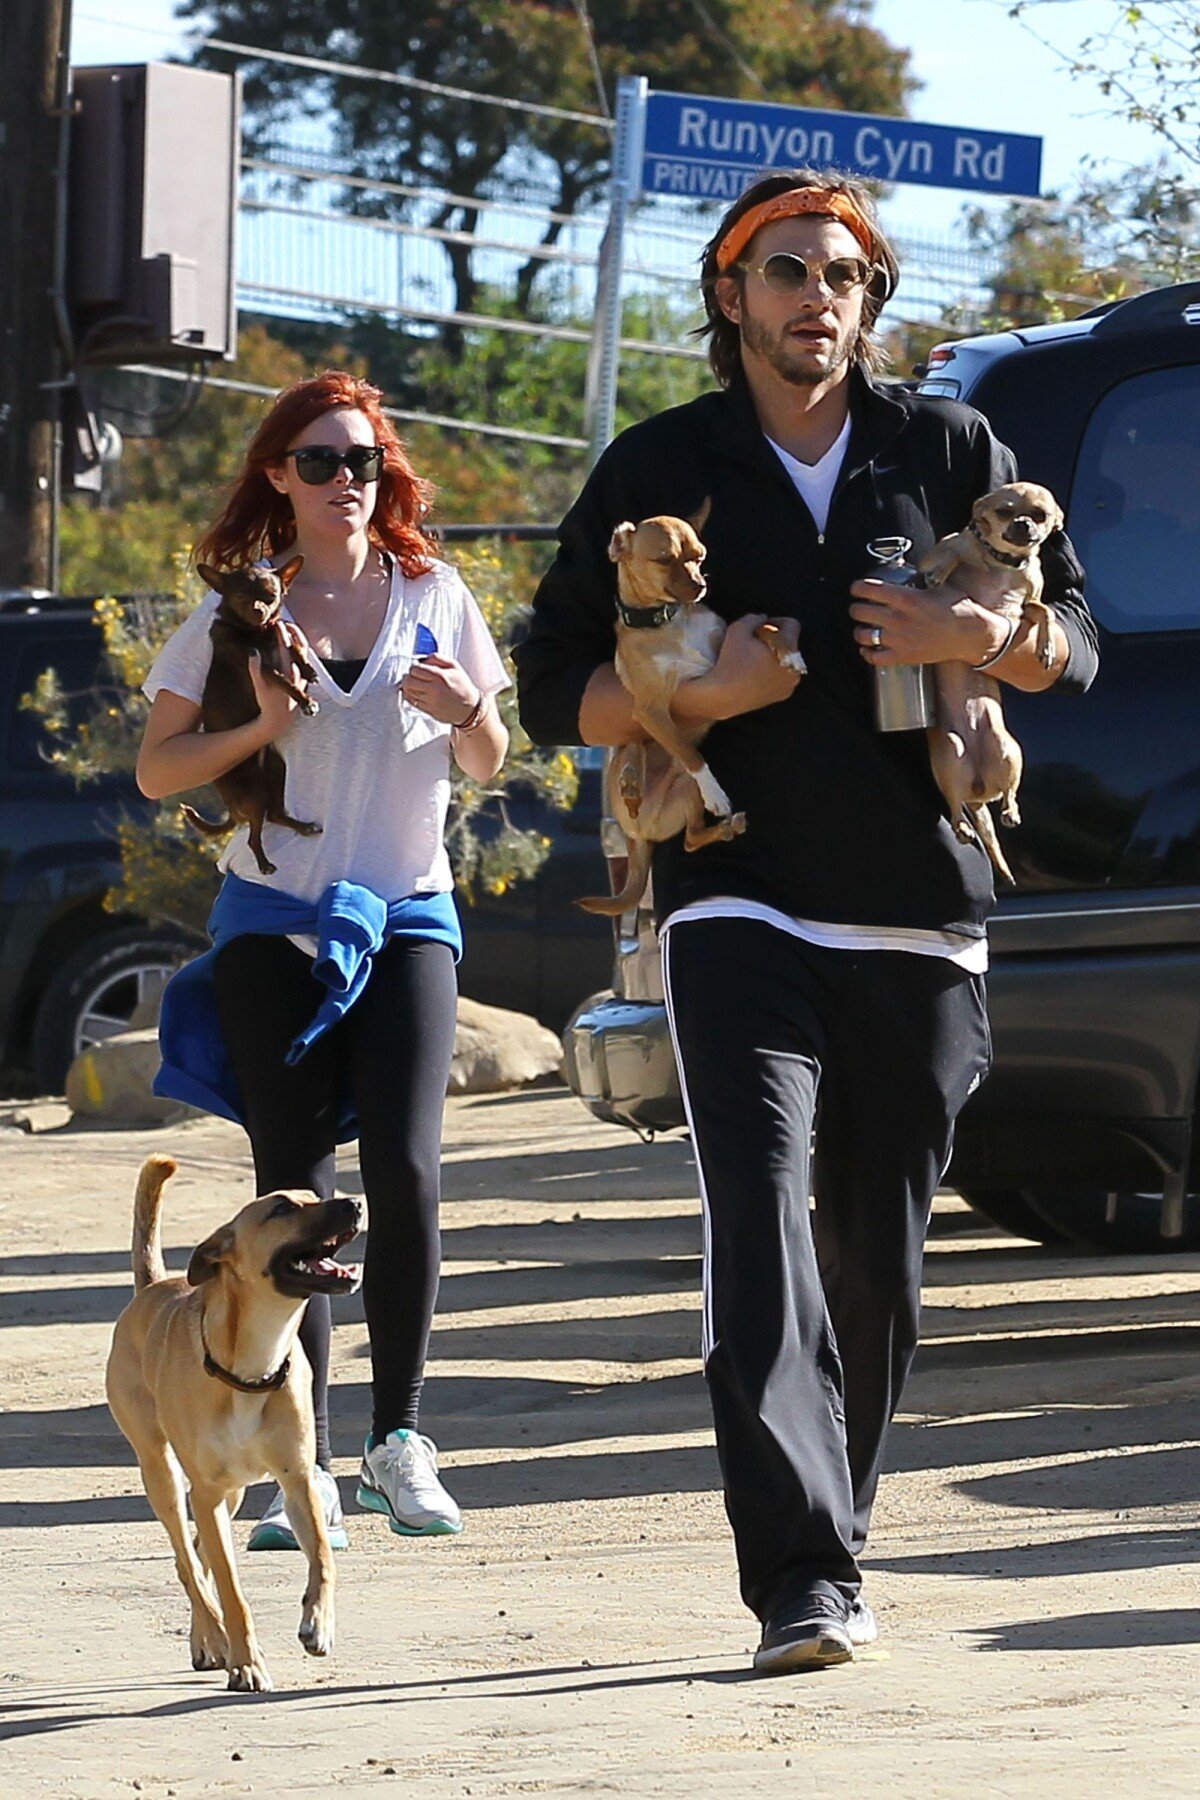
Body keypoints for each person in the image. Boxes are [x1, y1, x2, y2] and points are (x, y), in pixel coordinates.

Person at [514, 169, 1097, 1673]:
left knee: (874, 1261)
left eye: (841, 276)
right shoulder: (666, 465)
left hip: (920, 911)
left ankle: (837, 1521)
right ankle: (801, 1580)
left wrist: (976, 635)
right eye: (785, 272)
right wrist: (698, 698)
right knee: (760, 1232)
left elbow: (1071, 646)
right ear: (732, 297)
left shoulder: (948, 445)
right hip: (736, 896)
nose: (814, 299)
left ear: (867, 300)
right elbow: (549, 681)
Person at [138, 372, 509, 1550]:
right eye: (318, 462)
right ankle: (302, 1467)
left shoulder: (434, 592)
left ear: (383, 476)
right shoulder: (244, 617)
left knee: (402, 1172)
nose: (344, 481)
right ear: (277, 481)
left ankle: (398, 1443)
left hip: (404, 918)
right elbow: (158, 771)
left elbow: (490, 759)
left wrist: (464, 711)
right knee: (292, 1190)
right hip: (270, 926)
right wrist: (257, 723)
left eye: (363, 462)